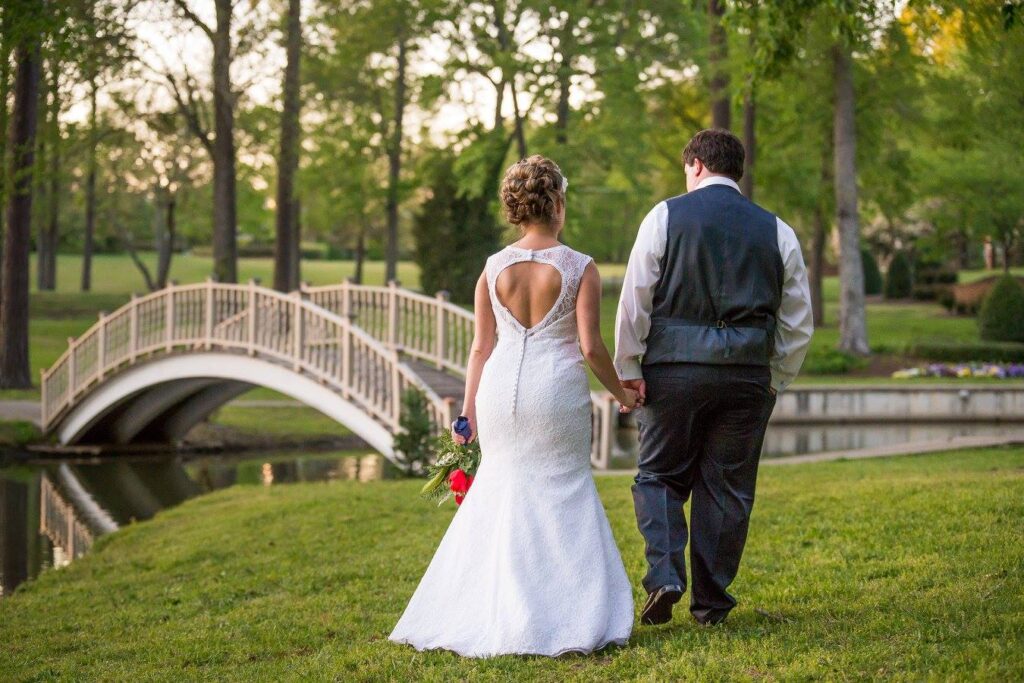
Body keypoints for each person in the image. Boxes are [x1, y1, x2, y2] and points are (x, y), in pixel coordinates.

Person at [389, 155, 640, 658]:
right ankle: (565, 615)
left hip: (500, 389)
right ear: (558, 204)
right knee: (562, 488)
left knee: (500, 490)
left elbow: (480, 347)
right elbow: (591, 347)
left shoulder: (492, 268)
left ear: (517, 207)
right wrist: (622, 393)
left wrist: (467, 415)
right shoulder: (579, 267)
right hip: (555, 390)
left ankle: (482, 611)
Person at [615, 128, 814, 627]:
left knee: (658, 475)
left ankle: (664, 576)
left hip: (673, 371)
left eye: (687, 168)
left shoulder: (664, 216)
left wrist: (628, 369)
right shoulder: (778, 230)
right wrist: (775, 379)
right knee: (727, 489)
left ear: (698, 165)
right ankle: (712, 604)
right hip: (746, 375)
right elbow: (797, 320)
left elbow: (636, 297)